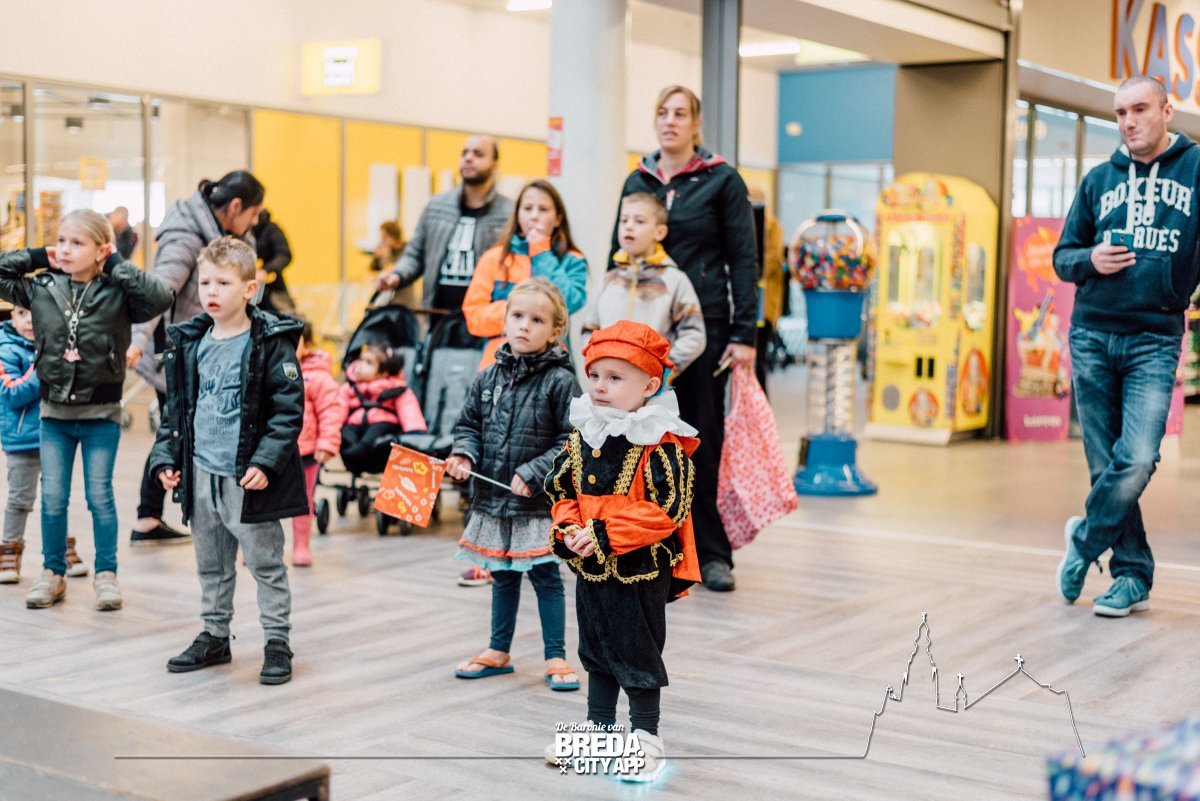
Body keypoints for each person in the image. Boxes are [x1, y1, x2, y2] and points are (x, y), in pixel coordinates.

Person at [1053, 75, 1200, 618]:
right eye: (1120, 113)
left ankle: (1084, 539)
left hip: (1155, 338)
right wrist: (1089, 259)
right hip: (1091, 334)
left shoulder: (1196, 170)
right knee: (1105, 464)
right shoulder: (1098, 180)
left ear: (1166, 110)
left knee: (1136, 458)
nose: (1129, 122)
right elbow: (1063, 257)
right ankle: (1131, 576)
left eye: (1140, 109)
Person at [613, 85, 759, 592]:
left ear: (696, 124)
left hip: (703, 332)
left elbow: (744, 260)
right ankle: (649, 543)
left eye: (680, 114)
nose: (670, 121)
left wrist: (744, 332)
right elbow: (619, 249)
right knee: (640, 441)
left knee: (700, 440)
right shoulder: (638, 178)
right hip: (644, 332)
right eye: (662, 112)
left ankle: (713, 554)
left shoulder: (722, 180)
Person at [543, 321, 700, 783]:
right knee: (595, 645)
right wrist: (571, 529)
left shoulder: (659, 441)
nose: (599, 387)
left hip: (638, 567)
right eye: (594, 375)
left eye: (615, 378)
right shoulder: (584, 435)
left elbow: (668, 507)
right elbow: (563, 491)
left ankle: (646, 735)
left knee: (637, 647)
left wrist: (605, 533)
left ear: (649, 386)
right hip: (592, 565)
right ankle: (599, 731)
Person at [149, 237, 307, 685]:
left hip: (247, 479)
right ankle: (215, 635)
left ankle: (277, 641)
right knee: (211, 563)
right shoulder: (190, 342)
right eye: (205, 283)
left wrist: (266, 462)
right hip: (201, 474)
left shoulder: (270, 343)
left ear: (250, 289)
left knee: (265, 564)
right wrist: (166, 458)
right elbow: (177, 412)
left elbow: (287, 411)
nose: (211, 291)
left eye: (223, 283)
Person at [0, 210, 174, 610]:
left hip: (101, 415)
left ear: (101, 250)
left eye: (76, 243)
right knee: (53, 498)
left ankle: (106, 574)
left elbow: (161, 297)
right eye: (61, 240)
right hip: (54, 416)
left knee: (100, 497)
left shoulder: (118, 292)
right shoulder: (43, 287)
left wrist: (115, 264)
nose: (65, 249)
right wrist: (38, 256)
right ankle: (53, 573)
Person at [445, 277, 581, 691]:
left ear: (555, 331)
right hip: (494, 500)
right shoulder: (488, 377)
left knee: (546, 577)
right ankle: (498, 650)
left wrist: (534, 473)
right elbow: (468, 426)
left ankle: (556, 656)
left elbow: (572, 440)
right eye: (517, 316)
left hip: (536, 505)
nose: (524, 325)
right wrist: (464, 455)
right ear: (504, 321)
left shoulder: (561, 381)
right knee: (501, 576)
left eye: (537, 320)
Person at [128, 171, 266, 546]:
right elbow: (158, 293)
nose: (255, 222)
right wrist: (137, 340)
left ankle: (152, 516)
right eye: (253, 213)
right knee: (176, 431)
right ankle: (154, 516)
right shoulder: (185, 237)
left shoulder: (230, 237)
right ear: (235, 206)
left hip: (209, 351)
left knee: (179, 430)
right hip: (177, 355)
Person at [375, 135, 513, 320]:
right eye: (464, 153)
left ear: (494, 165)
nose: (469, 158)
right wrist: (397, 275)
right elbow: (415, 254)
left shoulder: (509, 213)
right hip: (436, 319)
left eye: (478, 154)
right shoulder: (436, 207)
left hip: (484, 322)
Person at [0, 305, 89, 584]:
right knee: (20, 499)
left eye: (35, 313)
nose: (29, 320)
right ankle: (9, 552)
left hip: (57, 435)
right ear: (11, 316)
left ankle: (61, 551)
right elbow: (12, 393)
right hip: (22, 441)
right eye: (22, 313)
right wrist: (43, 366)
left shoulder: (57, 345)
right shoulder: (6, 349)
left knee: (56, 498)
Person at [462, 179, 587, 369]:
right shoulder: (494, 258)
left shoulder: (573, 259)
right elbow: (474, 318)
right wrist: (519, 311)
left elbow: (570, 303)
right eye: (527, 208)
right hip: (499, 364)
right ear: (518, 216)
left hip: (551, 366)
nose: (534, 216)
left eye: (543, 209)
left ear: (558, 219)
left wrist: (542, 253)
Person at [583, 192, 705, 376]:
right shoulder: (608, 280)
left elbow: (694, 334)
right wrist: (597, 365)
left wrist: (665, 369)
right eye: (624, 220)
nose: (629, 226)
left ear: (659, 232)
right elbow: (589, 329)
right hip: (607, 381)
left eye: (639, 221)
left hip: (651, 383)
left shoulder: (674, 280)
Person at [294, 320, 342, 567]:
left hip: (306, 451)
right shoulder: (266, 371)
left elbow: (330, 410)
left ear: (308, 345)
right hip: (271, 451)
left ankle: (301, 544)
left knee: (304, 499)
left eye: (292, 342)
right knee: (263, 501)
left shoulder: (317, 377)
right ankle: (259, 547)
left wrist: (327, 443)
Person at [338, 343, 426, 476]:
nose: (360, 365)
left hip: (383, 426)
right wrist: (332, 429)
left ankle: (358, 451)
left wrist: (415, 433)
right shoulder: (350, 388)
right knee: (345, 432)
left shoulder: (396, 389)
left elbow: (409, 411)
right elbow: (338, 410)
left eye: (368, 363)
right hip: (356, 424)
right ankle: (353, 455)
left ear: (383, 373)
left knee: (376, 432)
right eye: (361, 360)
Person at [252, 209, 296, 315]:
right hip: (247, 290)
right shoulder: (237, 229)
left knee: (288, 316)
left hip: (273, 287)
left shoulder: (271, 229)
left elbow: (284, 254)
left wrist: (266, 270)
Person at [368, 221, 420, 309]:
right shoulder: (385, 250)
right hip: (387, 301)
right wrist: (376, 257)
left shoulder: (406, 250)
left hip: (405, 301)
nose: (382, 241)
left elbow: (391, 271)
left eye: (385, 237)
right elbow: (373, 269)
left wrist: (386, 256)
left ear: (393, 236)